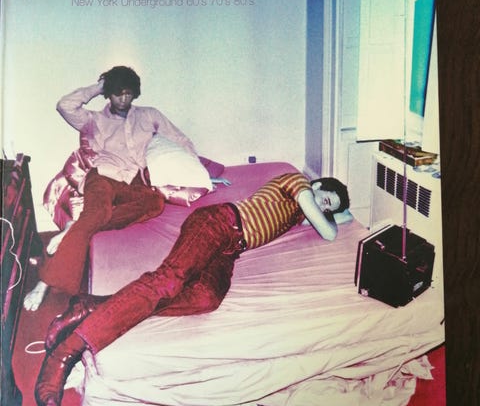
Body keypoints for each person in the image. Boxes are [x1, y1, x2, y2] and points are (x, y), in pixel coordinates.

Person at [34, 172, 350, 406]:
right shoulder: (297, 183)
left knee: (206, 298)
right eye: (325, 200)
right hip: (219, 223)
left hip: (229, 247)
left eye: (328, 208)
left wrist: (337, 210)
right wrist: (324, 208)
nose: (323, 209)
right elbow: (329, 232)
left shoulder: (298, 211)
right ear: (316, 185)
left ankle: (91, 306)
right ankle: (65, 353)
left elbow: (339, 220)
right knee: (167, 282)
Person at [24, 66, 196, 312]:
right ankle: (44, 283)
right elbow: (64, 105)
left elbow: (180, 140)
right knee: (97, 214)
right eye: (118, 93)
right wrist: (99, 86)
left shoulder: (149, 115)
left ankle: (76, 225)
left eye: (128, 93)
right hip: (102, 178)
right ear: (109, 93)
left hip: (133, 181)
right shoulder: (94, 120)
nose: (124, 99)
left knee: (154, 203)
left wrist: (196, 168)